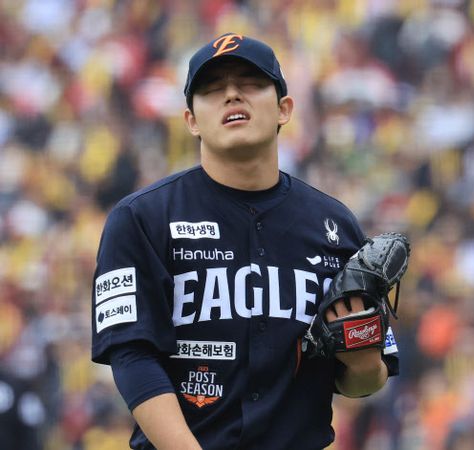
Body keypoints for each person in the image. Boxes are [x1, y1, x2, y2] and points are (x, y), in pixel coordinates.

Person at [91, 32, 399, 450]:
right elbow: (131, 356)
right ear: (191, 120)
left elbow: (366, 380)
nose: (232, 94)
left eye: (251, 84)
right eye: (212, 89)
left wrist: (362, 363)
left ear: (284, 109)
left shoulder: (335, 224)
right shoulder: (141, 219)